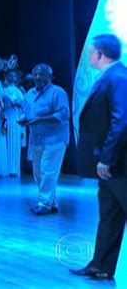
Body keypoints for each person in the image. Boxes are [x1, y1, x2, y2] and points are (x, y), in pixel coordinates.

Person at [70, 34, 127, 280]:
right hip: (113, 166)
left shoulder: (118, 77)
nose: (89, 55)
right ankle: (100, 266)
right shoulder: (112, 76)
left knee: (113, 213)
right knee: (109, 216)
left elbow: (121, 120)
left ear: (100, 54)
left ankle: (101, 265)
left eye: (91, 51)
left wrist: (106, 158)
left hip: (119, 164)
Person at [22, 63, 70, 215]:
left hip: (55, 138)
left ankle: (44, 203)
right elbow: (27, 113)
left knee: (48, 171)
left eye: (42, 74)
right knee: (37, 172)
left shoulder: (58, 92)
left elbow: (62, 115)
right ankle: (51, 201)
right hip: (36, 139)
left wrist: (39, 120)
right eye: (35, 74)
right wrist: (24, 120)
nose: (38, 77)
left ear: (50, 77)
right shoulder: (29, 94)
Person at [3, 70, 25, 176]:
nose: (12, 78)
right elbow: (5, 104)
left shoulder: (20, 90)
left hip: (17, 117)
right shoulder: (5, 90)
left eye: (14, 76)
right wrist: (10, 103)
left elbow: (25, 104)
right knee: (8, 141)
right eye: (10, 76)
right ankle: (8, 169)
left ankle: (15, 168)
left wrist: (20, 103)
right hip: (9, 116)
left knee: (16, 142)